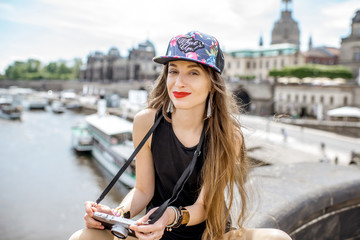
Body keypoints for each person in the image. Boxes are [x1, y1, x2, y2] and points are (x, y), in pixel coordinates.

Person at [69, 31, 292, 240]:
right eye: (173, 71)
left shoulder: (228, 135)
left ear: (212, 83)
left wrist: (169, 216)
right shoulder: (145, 121)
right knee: (82, 237)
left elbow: (205, 207)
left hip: (210, 235)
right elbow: (143, 190)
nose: (179, 82)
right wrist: (117, 214)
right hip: (155, 235)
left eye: (193, 72)